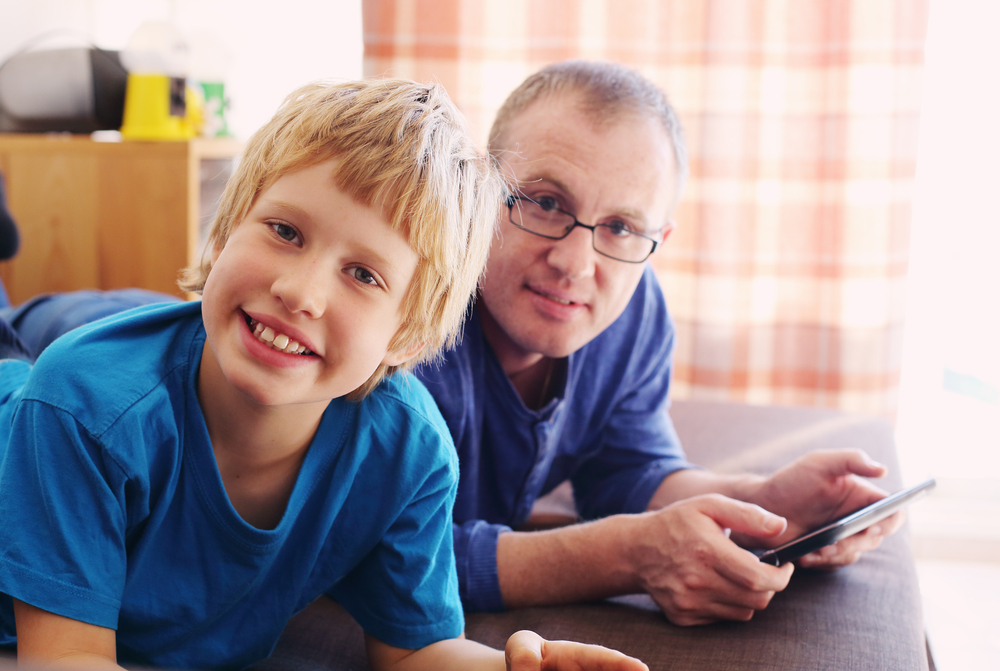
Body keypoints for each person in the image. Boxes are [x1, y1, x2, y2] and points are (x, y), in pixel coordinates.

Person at [0, 78, 646, 671]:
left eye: (364, 274)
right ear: (220, 236)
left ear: (409, 336)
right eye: (284, 230)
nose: (300, 291)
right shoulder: (82, 405)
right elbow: (65, 658)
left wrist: (511, 665)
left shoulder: (408, 451)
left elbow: (415, 650)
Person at [413, 60, 905, 626]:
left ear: (657, 239)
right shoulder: (411, 316)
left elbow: (629, 470)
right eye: (546, 202)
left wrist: (759, 505)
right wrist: (625, 556)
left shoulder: (634, 308)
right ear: (483, 187)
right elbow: (383, 552)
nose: (576, 264)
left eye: (621, 227)